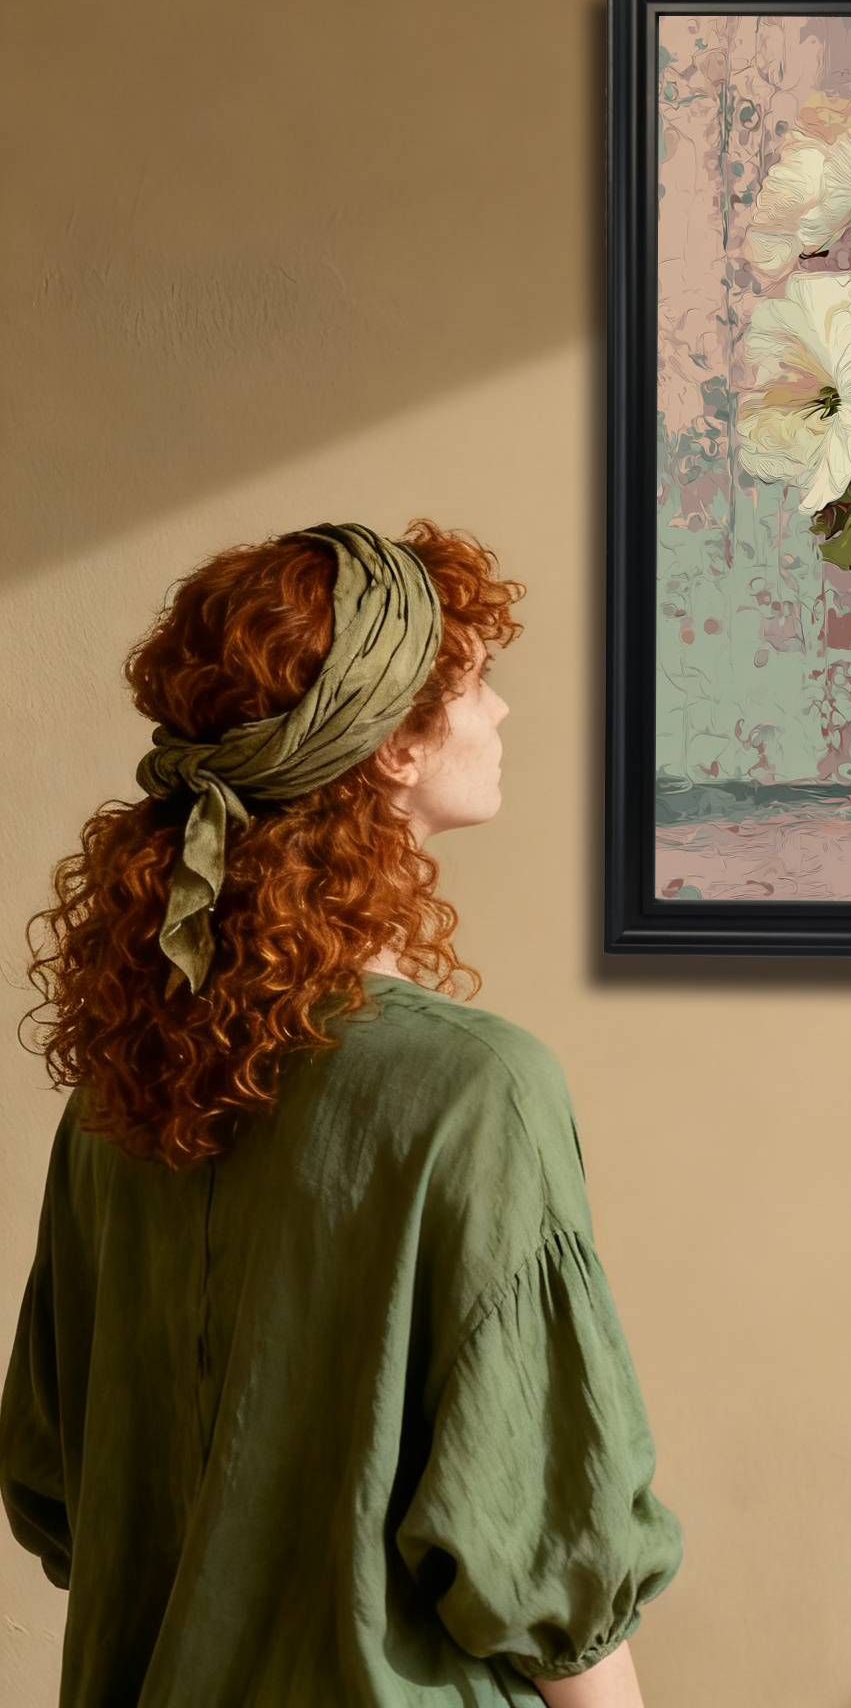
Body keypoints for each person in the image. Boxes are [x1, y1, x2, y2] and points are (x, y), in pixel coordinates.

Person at [1, 521, 680, 1705]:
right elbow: (543, 1554)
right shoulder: (477, 1086)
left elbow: (61, 1487)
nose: (503, 715)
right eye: (474, 683)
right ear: (394, 751)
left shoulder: (119, 1088)